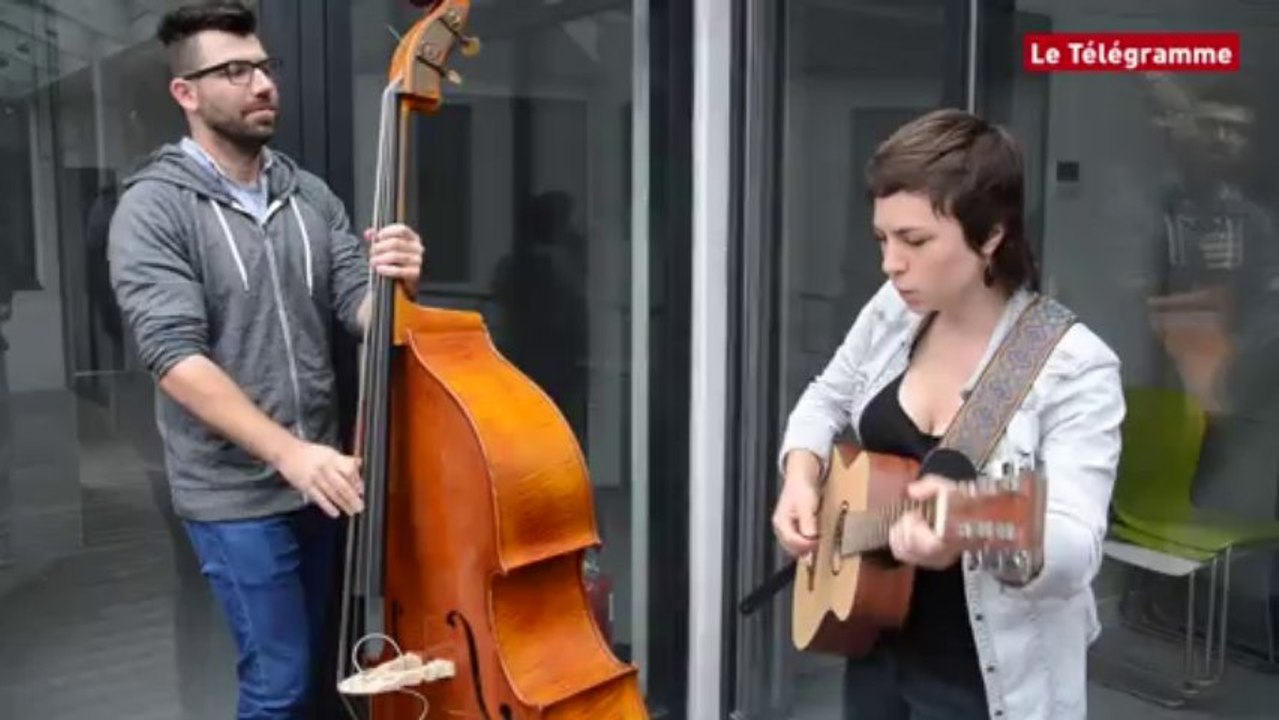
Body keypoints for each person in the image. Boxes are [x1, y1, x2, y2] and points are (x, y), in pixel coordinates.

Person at [106, 2, 424, 718]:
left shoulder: (305, 193)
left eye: (264, 67)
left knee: (318, 674)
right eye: (234, 71)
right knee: (277, 684)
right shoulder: (155, 210)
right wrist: (290, 453)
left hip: (321, 482)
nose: (261, 84)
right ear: (185, 94)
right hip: (235, 496)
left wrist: (395, 280)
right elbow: (173, 357)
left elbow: (360, 306)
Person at [771, 109, 1125, 719]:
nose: (891, 264)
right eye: (883, 240)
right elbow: (826, 396)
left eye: (914, 241)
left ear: (990, 236)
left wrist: (967, 522)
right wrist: (800, 477)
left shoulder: (1073, 366)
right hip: (876, 648)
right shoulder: (893, 311)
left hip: (991, 684)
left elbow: (1073, 550)